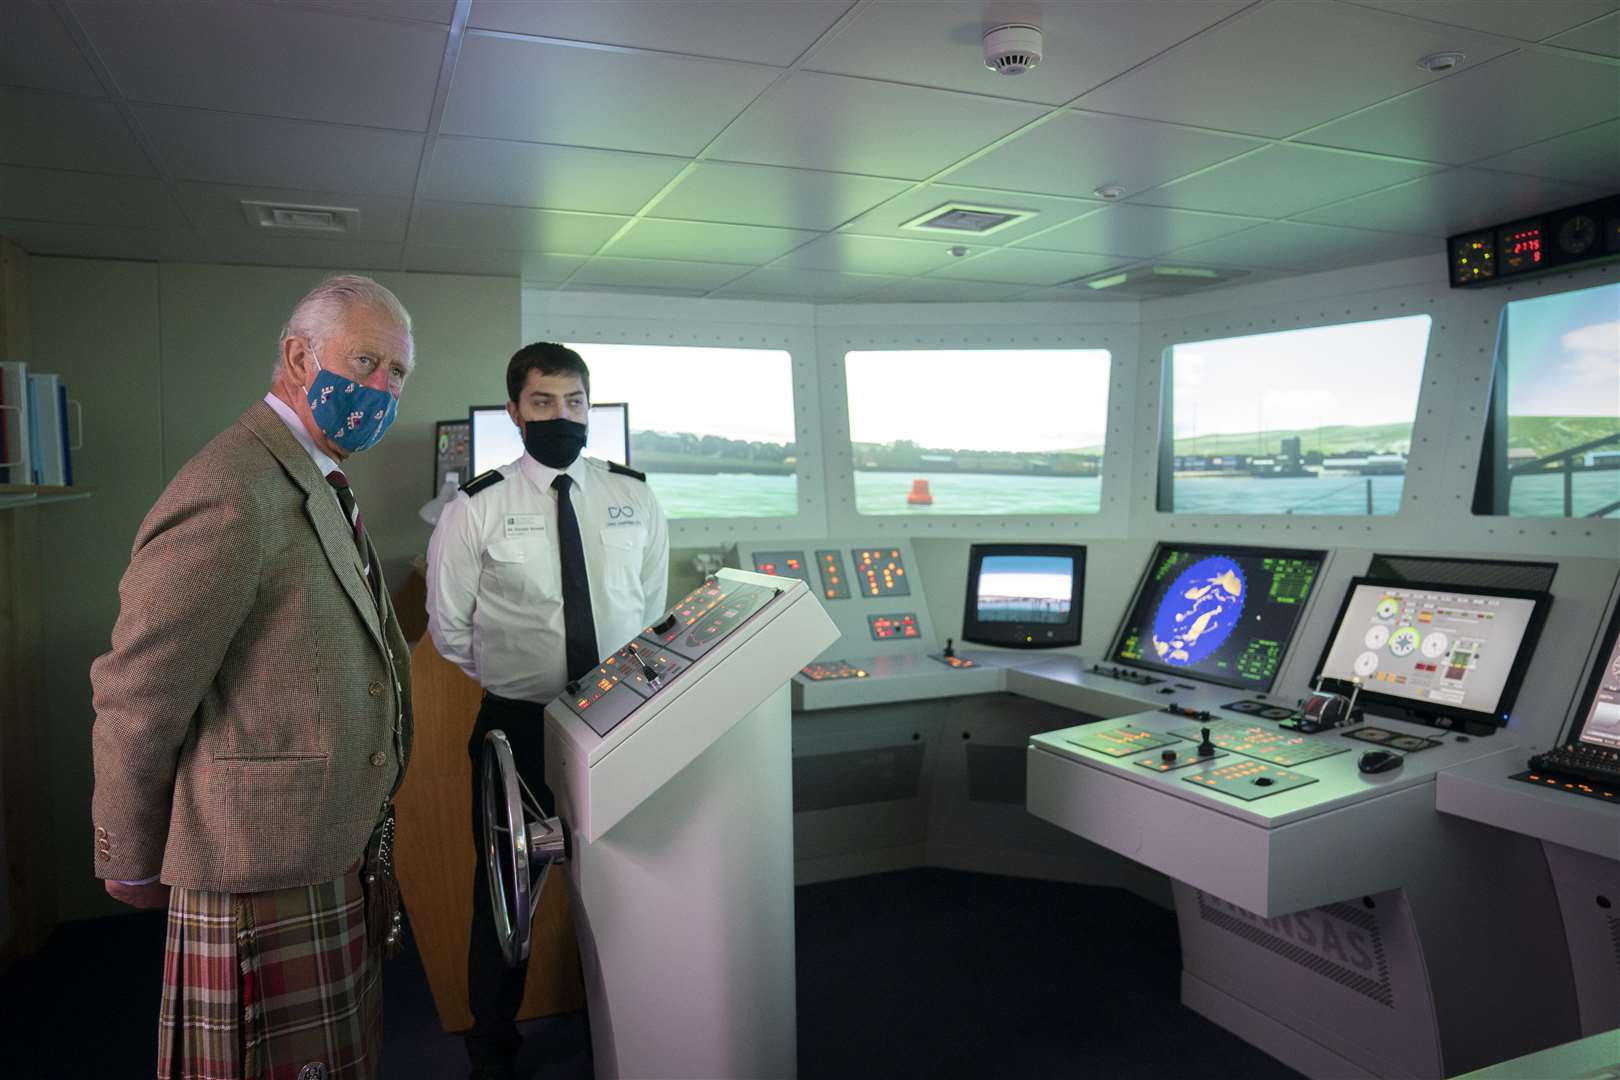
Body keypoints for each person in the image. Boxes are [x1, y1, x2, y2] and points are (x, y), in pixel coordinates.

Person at [90, 275, 416, 1080]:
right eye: (365, 361)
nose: (379, 390)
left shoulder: (308, 476)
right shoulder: (233, 490)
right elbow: (139, 693)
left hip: (322, 850)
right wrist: (127, 853)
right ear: (298, 357)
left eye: (396, 375)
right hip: (257, 870)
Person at [426, 342, 669, 1080]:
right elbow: (449, 628)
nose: (561, 417)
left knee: (629, 880)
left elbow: (650, 605)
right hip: (518, 727)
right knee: (504, 890)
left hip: (618, 724)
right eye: (543, 404)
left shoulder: (634, 495)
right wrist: (519, 679)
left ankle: (626, 1029)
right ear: (515, 413)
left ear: (589, 409)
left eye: (574, 403)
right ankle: (493, 1047)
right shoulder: (479, 505)